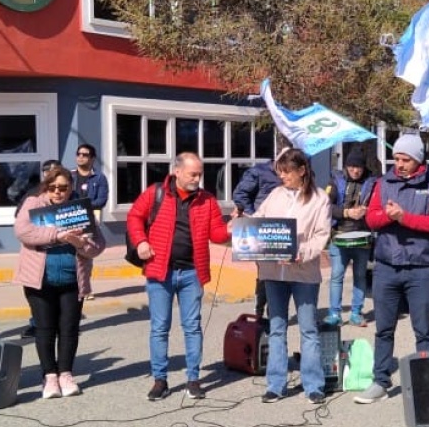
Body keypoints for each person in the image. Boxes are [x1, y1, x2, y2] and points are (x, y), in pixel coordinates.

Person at [354, 134, 429, 405]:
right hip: (387, 266)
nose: (399, 164)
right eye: (396, 158)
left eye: (405, 159)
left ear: (418, 160)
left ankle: (426, 387)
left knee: (423, 330)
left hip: (421, 268)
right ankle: (380, 381)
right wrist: (388, 216)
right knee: (383, 329)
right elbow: (372, 218)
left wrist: (404, 218)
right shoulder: (383, 183)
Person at [127, 152, 231, 401]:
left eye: (200, 174)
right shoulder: (156, 193)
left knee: (192, 328)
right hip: (159, 271)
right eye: (193, 174)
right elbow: (134, 217)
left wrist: (231, 227)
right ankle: (160, 380)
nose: (197, 178)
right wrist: (141, 241)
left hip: (192, 272)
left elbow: (216, 234)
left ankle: (193, 379)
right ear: (177, 171)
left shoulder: (207, 200)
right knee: (159, 328)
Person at [13, 166, 106, 398]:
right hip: (40, 280)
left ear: (70, 188)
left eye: (63, 188)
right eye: (53, 187)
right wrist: (58, 234)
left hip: (72, 280)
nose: (58, 192)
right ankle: (49, 376)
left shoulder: (80, 209)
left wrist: (79, 243)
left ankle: (66, 374)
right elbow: (23, 231)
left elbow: (98, 246)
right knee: (45, 329)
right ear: (46, 187)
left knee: (69, 329)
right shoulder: (34, 204)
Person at [252, 148, 332, 404]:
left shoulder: (319, 199)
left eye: (287, 172)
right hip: (273, 271)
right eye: (280, 172)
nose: (282, 177)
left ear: (302, 171)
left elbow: (321, 235)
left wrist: (302, 252)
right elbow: (258, 221)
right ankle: (276, 384)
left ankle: (313, 384)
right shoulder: (275, 195)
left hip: (303, 273)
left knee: (308, 329)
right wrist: (242, 223)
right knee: (277, 327)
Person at [323, 145, 377, 327]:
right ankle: (334, 314)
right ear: (346, 166)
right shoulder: (334, 181)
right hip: (339, 236)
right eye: (352, 167)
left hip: (362, 238)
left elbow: (378, 207)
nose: (355, 170)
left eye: (359, 167)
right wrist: (346, 213)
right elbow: (325, 207)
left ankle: (356, 313)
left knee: (360, 276)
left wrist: (366, 211)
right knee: (337, 276)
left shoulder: (373, 182)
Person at [232, 154, 284, 321]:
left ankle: (275, 312)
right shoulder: (258, 172)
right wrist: (253, 217)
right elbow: (240, 195)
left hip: (284, 230)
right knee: (265, 273)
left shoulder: (297, 173)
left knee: (281, 274)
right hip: (262, 229)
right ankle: (260, 312)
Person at [18, 159, 64, 339]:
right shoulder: (33, 196)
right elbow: (21, 225)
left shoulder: (72, 196)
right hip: (38, 262)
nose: (49, 173)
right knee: (41, 310)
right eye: (47, 171)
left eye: (54, 170)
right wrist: (52, 231)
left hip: (65, 266)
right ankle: (35, 324)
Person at [72, 144, 108, 301]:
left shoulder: (99, 178)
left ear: (92, 158)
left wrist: (83, 205)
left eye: (85, 155)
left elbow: (101, 200)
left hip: (89, 220)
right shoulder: (69, 175)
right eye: (78, 154)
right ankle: (78, 289)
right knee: (71, 255)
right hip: (70, 218)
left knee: (85, 255)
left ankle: (84, 289)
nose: (80, 157)